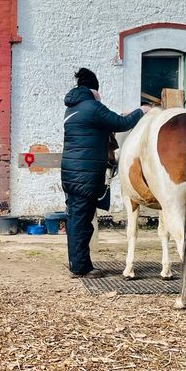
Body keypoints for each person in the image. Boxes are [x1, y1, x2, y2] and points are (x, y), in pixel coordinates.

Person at [62, 67, 147, 278]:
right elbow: (121, 124)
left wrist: (118, 116)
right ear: (93, 89)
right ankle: (81, 268)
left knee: (75, 220)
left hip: (70, 174)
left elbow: (102, 123)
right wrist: (141, 112)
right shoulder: (93, 106)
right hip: (86, 176)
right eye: (99, 90)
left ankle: (76, 263)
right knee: (82, 223)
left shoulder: (72, 108)